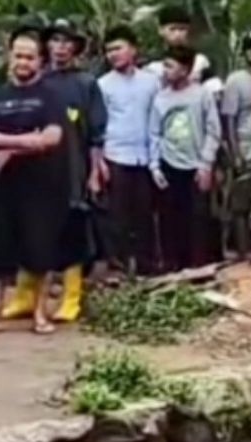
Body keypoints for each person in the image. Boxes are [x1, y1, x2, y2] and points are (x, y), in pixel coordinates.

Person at [0, 27, 67, 337]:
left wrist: (8, 148)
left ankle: (40, 314)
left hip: (41, 188)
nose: (23, 62)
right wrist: (25, 141)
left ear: (40, 61)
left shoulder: (50, 96)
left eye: (29, 57)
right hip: (4, 187)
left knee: (40, 252)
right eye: (18, 56)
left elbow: (51, 138)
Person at [32, 18, 106, 322]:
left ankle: (71, 297)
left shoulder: (86, 83)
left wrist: (95, 171)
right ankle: (29, 296)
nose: (60, 47)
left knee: (74, 229)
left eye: (66, 42)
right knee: (37, 230)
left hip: (74, 165)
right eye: (55, 40)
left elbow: (97, 134)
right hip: (38, 168)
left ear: (75, 48)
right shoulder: (37, 81)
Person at [149, 45, 219, 272]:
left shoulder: (202, 95)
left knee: (197, 218)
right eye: (164, 65)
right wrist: (155, 166)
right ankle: (172, 266)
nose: (165, 71)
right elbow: (154, 133)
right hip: (169, 164)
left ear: (185, 69)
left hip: (196, 165)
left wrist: (206, 164)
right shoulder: (160, 98)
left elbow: (213, 130)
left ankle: (197, 266)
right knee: (170, 218)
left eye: (170, 66)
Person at [97, 26, 158, 275]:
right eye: (109, 50)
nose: (113, 54)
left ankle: (146, 266)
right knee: (117, 215)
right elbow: (98, 124)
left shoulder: (151, 82)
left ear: (133, 50)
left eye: (118, 48)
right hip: (115, 155)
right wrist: (99, 161)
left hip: (145, 157)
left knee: (145, 213)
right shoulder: (102, 85)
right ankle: (119, 267)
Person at [221, 31, 251, 261]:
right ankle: (243, 252)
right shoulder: (235, 80)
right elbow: (229, 118)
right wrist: (235, 153)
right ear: (244, 53)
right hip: (246, 144)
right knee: (241, 204)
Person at [147, 6, 210, 83]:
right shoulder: (151, 62)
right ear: (161, 30)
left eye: (182, 29)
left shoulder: (199, 60)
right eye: (172, 29)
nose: (177, 34)